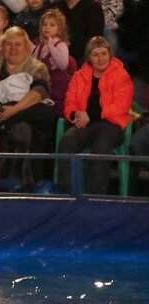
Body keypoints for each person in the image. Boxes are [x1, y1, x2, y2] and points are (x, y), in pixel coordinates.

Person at [0, 26, 57, 187]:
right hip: (0, 115)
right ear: (2, 47)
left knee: (30, 123)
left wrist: (13, 110)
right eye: (9, 44)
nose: (13, 48)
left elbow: (39, 93)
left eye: (18, 44)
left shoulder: (37, 67)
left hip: (29, 113)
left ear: (27, 47)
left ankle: (27, 181)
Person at [58, 36, 133, 194]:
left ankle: (95, 195)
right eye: (95, 55)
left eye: (104, 54)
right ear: (89, 57)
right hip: (85, 124)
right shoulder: (79, 76)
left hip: (111, 124)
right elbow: (69, 102)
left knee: (102, 142)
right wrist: (76, 114)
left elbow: (121, 106)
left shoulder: (121, 75)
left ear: (110, 54)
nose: (100, 59)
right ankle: (68, 193)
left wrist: (90, 115)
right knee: (67, 141)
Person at [32, 9, 73, 116]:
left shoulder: (61, 45)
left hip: (59, 89)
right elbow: (34, 65)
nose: (47, 27)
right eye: (44, 24)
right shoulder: (39, 46)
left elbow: (63, 65)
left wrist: (50, 46)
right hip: (44, 88)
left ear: (59, 29)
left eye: (52, 25)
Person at [51, 0, 104, 65]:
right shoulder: (54, 7)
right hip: (56, 55)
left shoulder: (93, 7)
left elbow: (94, 40)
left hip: (83, 57)